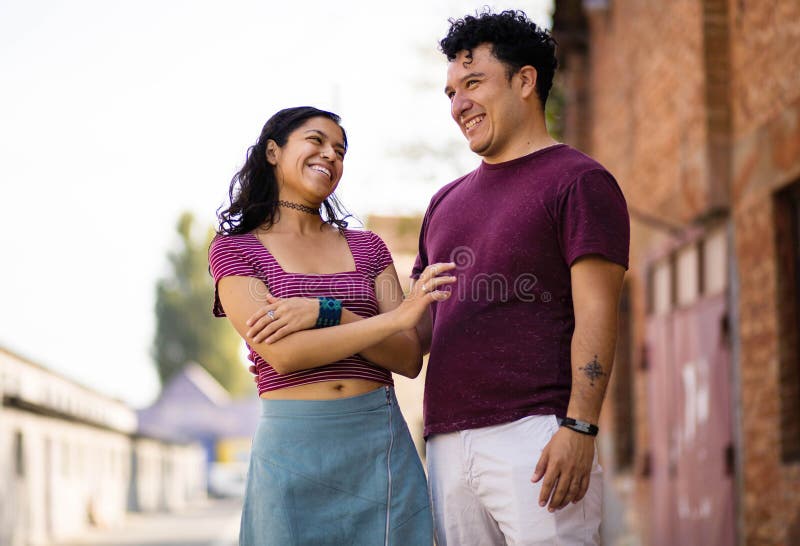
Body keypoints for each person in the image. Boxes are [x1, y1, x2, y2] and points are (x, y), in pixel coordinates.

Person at [410, 10, 630, 545]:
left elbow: (599, 315)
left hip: (536, 438)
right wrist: (329, 312)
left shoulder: (579, 182)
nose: (458, 104)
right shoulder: (443, 203)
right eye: (450, 92)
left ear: (525, 81)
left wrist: (579, 425)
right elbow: (416, 331)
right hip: (445, 442)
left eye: (473, 83)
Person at [209, 106, 454, 545]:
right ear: (272, 151)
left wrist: (329, 313)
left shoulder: (368, 246)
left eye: (340, 150)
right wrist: (387, 321)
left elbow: (407, 357)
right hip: (292, 448)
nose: (331, 155)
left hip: (377, 444)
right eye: (316, 140)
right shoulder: (236, 250)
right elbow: (283, 355)